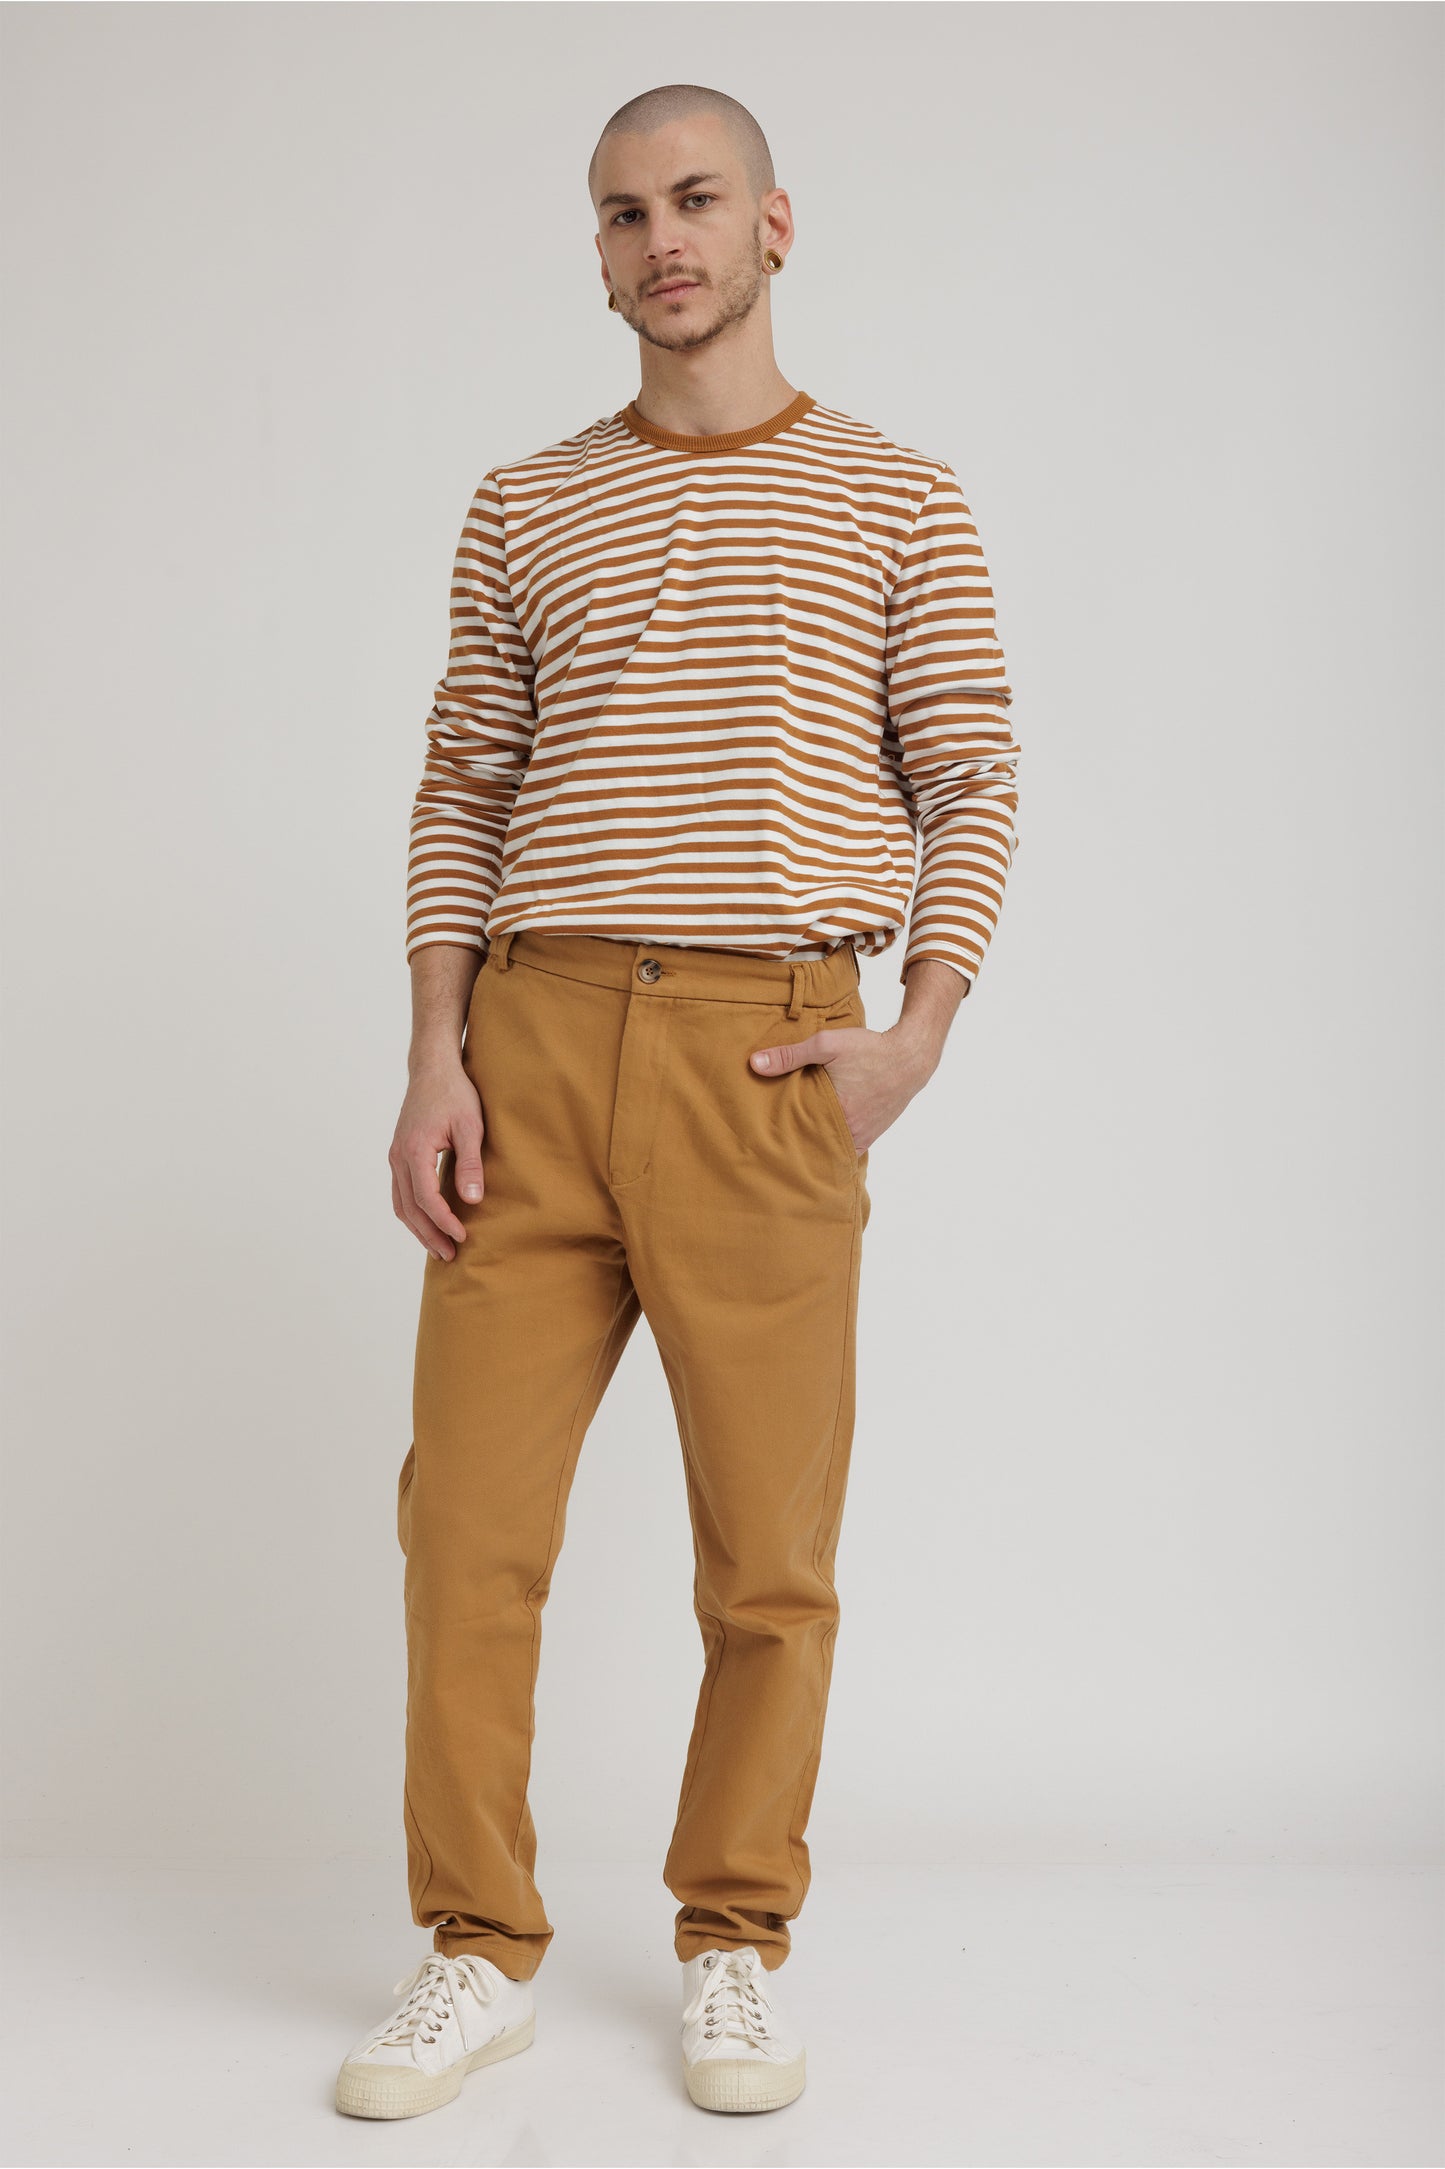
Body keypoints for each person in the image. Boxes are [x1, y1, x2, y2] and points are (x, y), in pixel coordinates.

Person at [335, 79, 1021, 2123]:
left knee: (767, 1557)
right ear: (601, 249)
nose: (664, 241)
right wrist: (435, 1050)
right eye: (625, 213)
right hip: (534, 1045)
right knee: (464, 1529)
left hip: (766, 1053)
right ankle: (476, 1946)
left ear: (775, 222)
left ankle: (734, 1937)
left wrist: (918, 1030)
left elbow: (970, 770)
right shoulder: (522, 502)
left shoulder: (899, 494)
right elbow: (462, 786)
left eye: (697, 198)